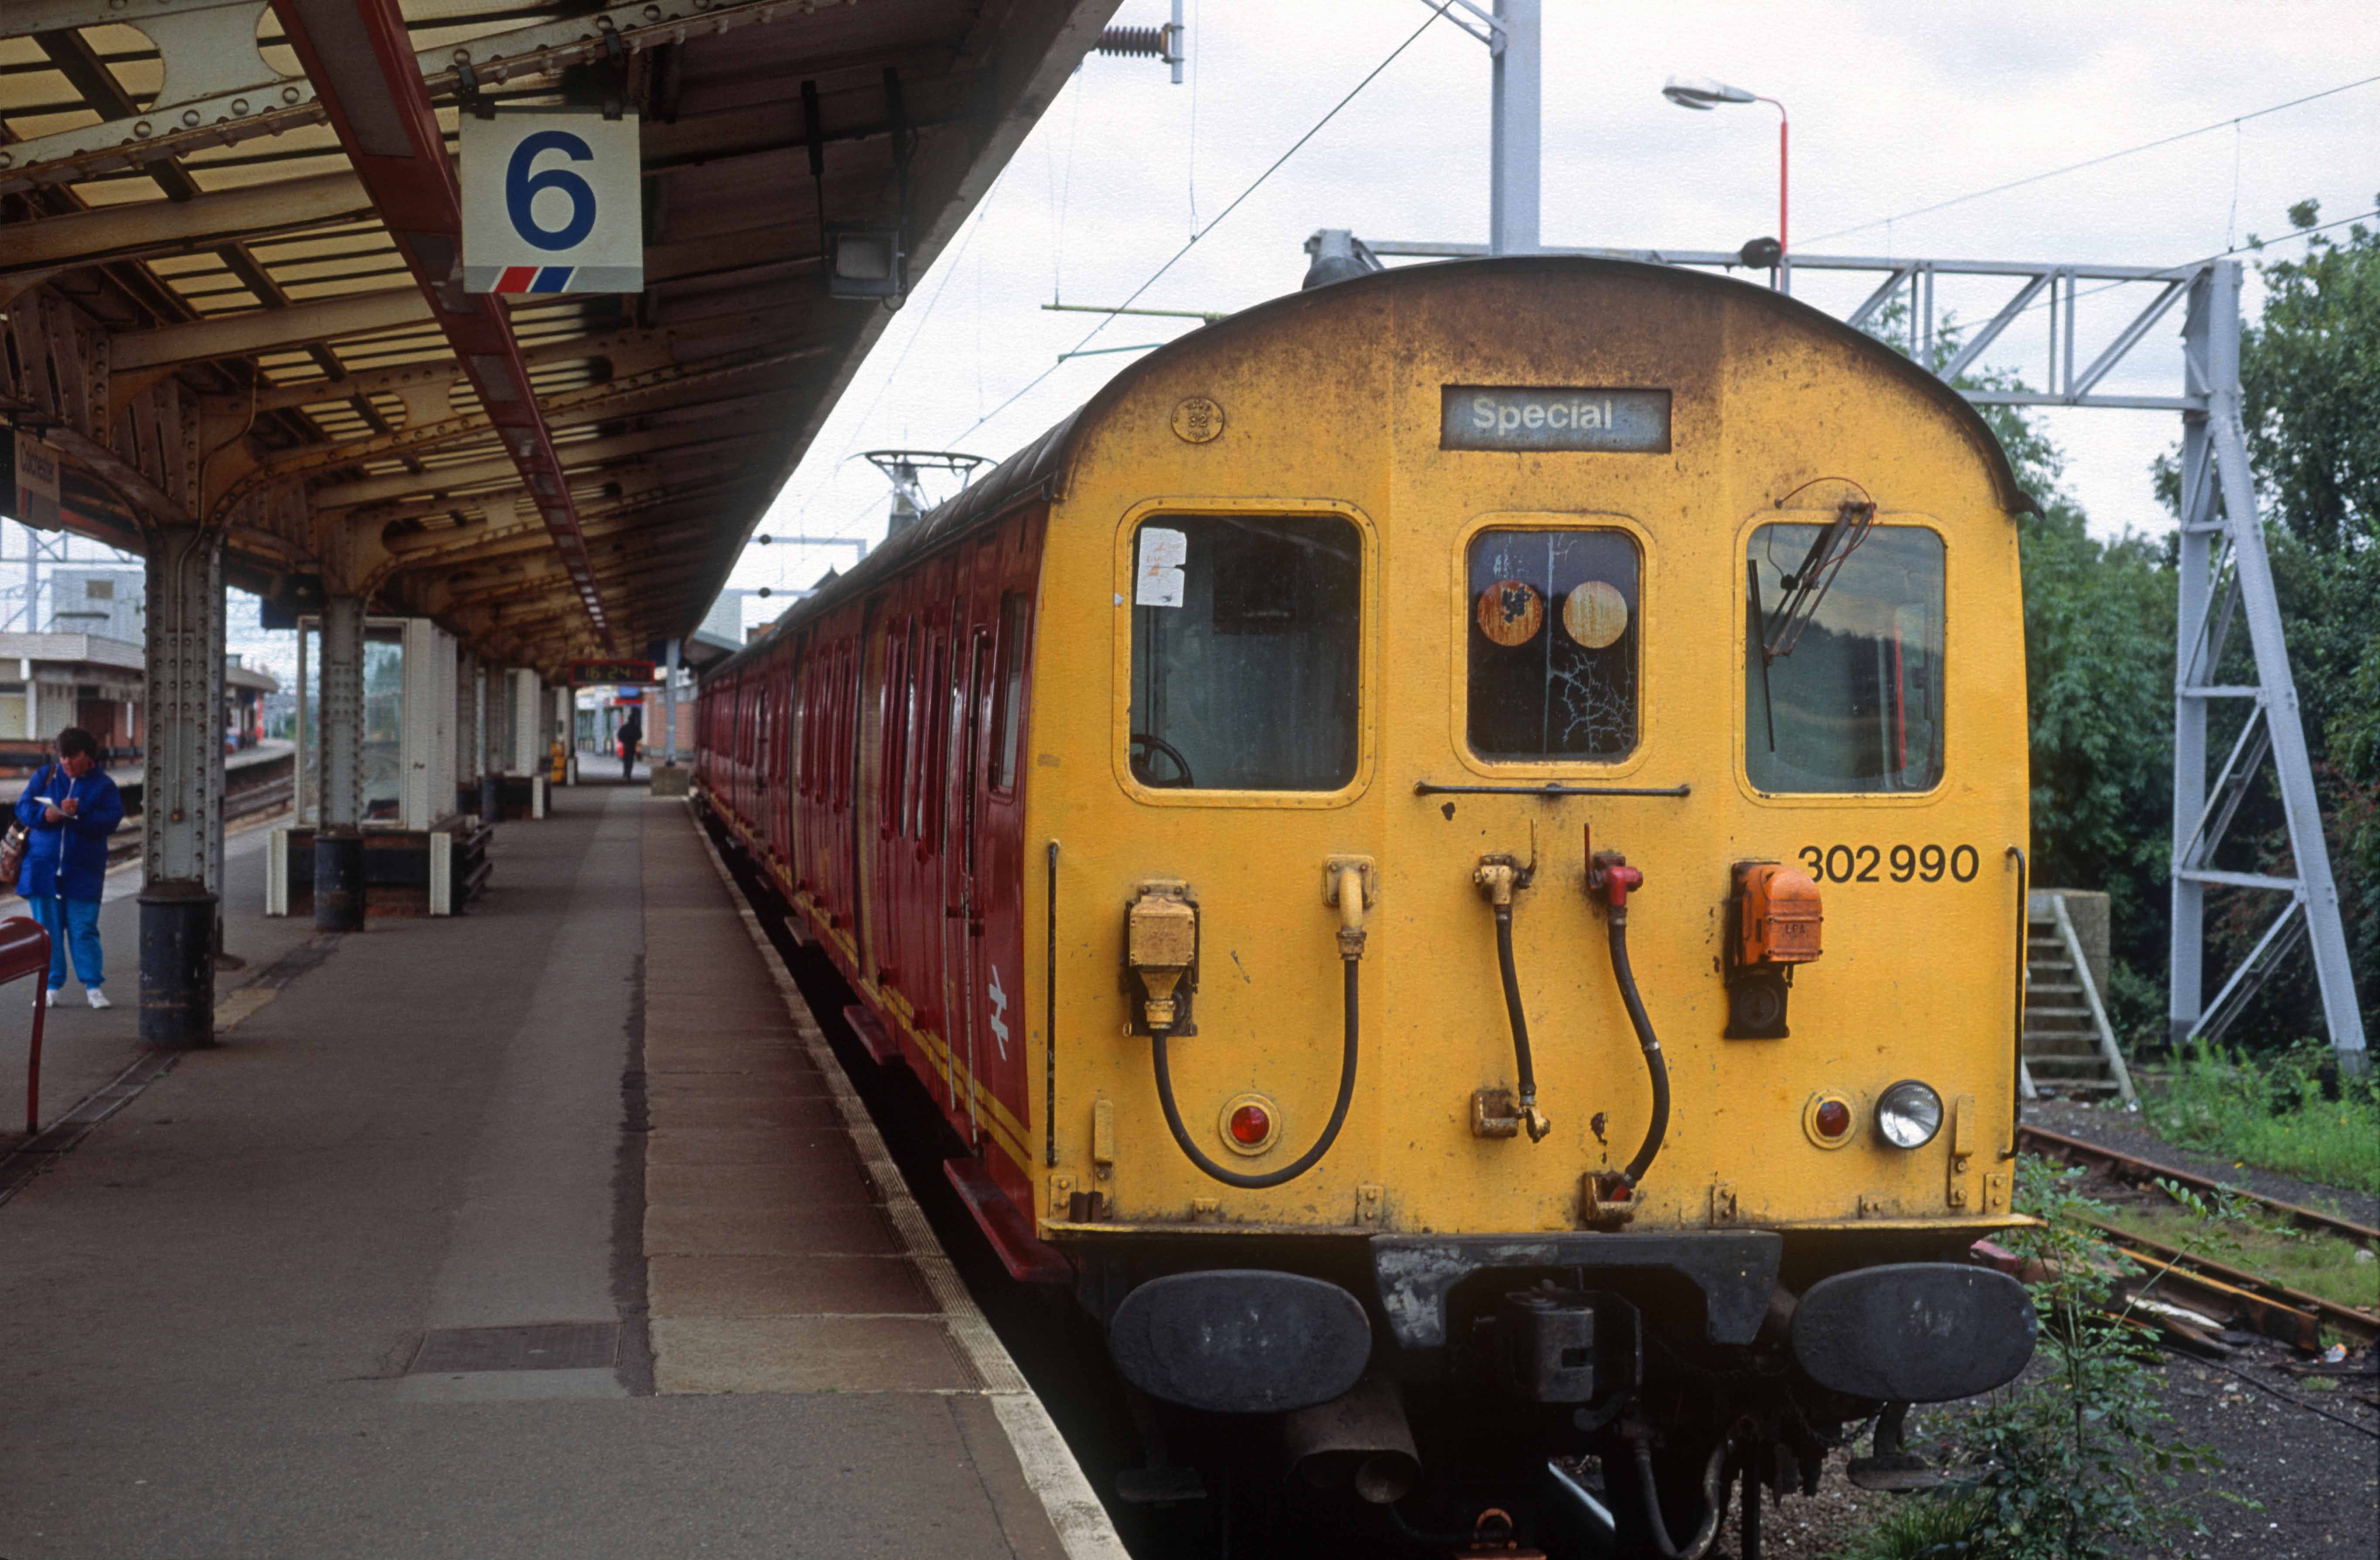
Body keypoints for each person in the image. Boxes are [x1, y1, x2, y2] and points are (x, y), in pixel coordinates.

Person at [14, 727, 125, 1009]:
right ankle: (50, 987)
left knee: (84, 929)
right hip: (42, 869)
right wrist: (46, 815)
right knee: (47, 932)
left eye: (72, 757)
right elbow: (23, 808)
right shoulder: (46, 776)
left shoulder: (104, 785)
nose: (66, 762)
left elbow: (111, 820)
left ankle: (93, 987)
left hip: (83, 870)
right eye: (62, 757)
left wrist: (79, 814)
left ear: (87, 756)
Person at [617, 707, 643, 780]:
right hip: (633, 745)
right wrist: (635, 740)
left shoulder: (624, 727)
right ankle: (629, 774)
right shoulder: (636, 728)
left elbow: (619, 736)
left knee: (626, 760)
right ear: (634, 720)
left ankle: (625, 773)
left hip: (626, 745)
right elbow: (640, 736)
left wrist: (624, 741)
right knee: (631, 760)